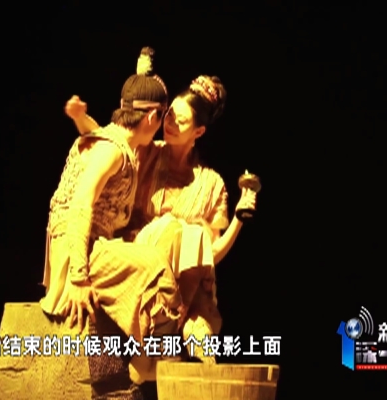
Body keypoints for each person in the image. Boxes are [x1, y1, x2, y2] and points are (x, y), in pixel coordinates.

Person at [66, 75, 258, 383]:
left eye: (181, 121)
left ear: (199, 131)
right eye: (169, 115)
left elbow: (210, 255)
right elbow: (109, 137)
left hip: (183, 282)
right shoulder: (145, 151)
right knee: (173, 227)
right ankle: (171, 338)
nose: (170, 124)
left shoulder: (211, 184)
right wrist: (79, 117)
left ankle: (184, 331)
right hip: (138, 260)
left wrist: (238, 219)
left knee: (193, 234)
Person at [40, 47, 181, 400]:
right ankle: (150, 362)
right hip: (79, 249)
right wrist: (78, 277)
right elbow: (80, 206)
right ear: (152, 116)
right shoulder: (112, 150)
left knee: (159, 244)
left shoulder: (112, 139)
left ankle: (151, 355)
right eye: (162, 116)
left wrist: (79, 117)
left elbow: (93, 129)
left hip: (93, 244)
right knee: (155, 266)